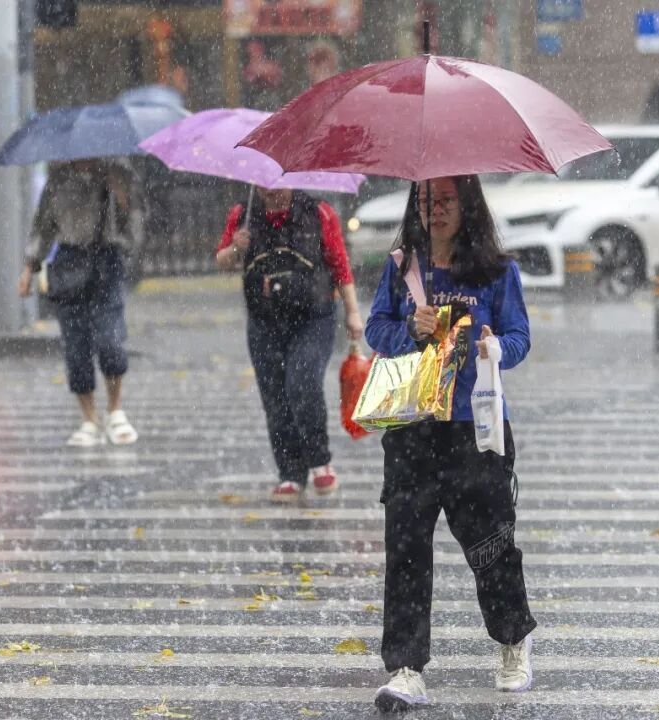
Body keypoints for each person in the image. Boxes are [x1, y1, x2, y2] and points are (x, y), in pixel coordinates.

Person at [365, 175, 536, 712]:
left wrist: (494, 348)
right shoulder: (400, 268)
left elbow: (519, 337)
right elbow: (376, 329)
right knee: (407, 545)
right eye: (423, 200)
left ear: (466, 205)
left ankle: (512, 638)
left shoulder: (495, 271)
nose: (432, 210)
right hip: (412, 426)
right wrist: (408, 331)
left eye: (443, 200)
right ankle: (406, 666)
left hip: (474, 426)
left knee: (490, 543)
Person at [216, 186, 363, 502]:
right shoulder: (243, 214)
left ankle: (320, 460)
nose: (273, 193)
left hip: (313, 316)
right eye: (266, 187)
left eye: (279, 186)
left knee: (303, 381)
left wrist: (352, 312)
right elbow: (223, 260)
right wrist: (235, 248)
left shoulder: (318, 212)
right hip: (264, 320)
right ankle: (291, 473)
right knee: (275, 396)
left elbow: (339, 263)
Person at [19, 159, 143, 447]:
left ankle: (115, 410)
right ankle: (88, 418)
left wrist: (120, 197)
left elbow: (135, 230)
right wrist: (30, 267)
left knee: (110, 339)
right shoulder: (59, 180)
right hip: (69, 262)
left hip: (107, 260)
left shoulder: (120, 175)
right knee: (76, 345)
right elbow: (43, 227)